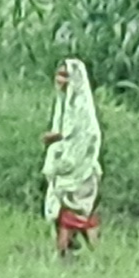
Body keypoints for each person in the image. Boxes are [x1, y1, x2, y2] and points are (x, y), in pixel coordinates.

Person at [44, 58, 105, 257]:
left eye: (65, 75)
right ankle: (76, 250)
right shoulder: (63, 103)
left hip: (81, 171)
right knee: (66, 214)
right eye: (59, 74)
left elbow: (87, 135)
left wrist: (59, 137)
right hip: (65, 169)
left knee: (71, 215)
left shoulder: (81, 106)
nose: (60, 80)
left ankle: (68, 253)